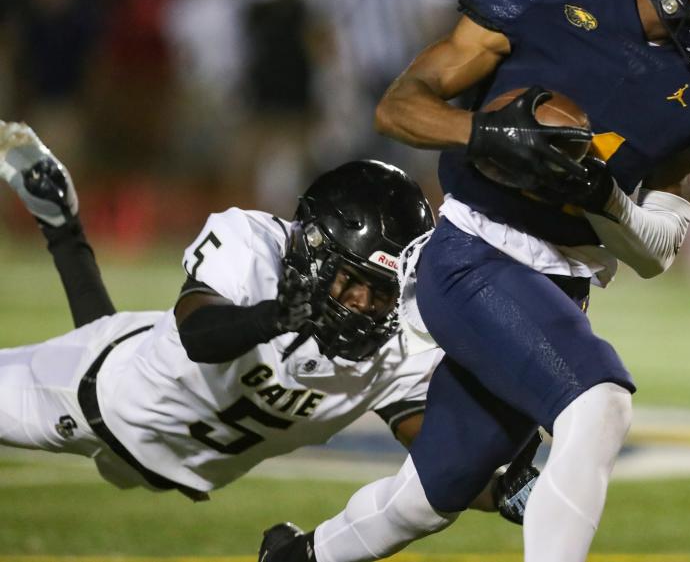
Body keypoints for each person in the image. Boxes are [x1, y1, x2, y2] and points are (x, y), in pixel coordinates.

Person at [259, 0, 690, 562]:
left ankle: (298, 557)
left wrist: (603, 199)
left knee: (436, 488)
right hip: (474, 254)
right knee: (599, 404)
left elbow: (657, 248)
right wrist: (489, 135)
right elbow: (400, 103)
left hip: (564, 289)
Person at [0, 120, 473, 502]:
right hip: (88, 399)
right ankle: (61, 227)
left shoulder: (396, 345)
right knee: (109, 354)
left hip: (176, 459)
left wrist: (514, 486)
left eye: (383, 291)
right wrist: (273, 318)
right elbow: (199, 337)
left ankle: (61, 223)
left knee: (124, 352)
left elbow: (445, 457)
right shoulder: (253, 246)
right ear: (312, 250)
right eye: (355, 281)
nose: (365, 305)